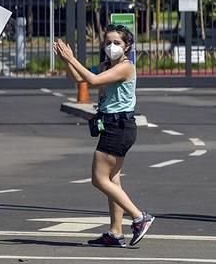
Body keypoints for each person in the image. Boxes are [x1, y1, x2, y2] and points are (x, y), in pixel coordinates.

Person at [54, 26, 156, 247]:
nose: (112, 47)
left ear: (127, 46)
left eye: (117, 43)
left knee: (99, 179)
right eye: (108, 42)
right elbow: (80, 78)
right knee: (112, 180)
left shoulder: (126, 68)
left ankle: (139, 217)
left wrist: (72, 57)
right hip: (114, 126)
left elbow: (93, 81)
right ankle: (116, 232)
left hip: (118, 127)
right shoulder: (106, 66)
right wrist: (66, 61)